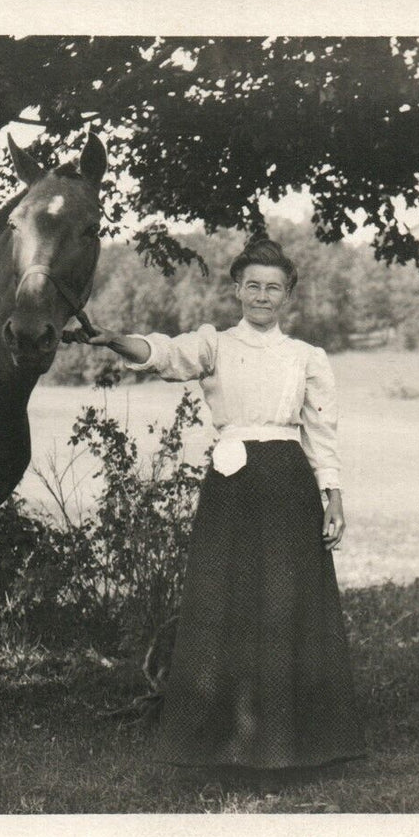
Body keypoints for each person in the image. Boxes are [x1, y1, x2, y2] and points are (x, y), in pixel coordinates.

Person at [74, 234, 365, 771]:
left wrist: (333, 496)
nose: (261, 296)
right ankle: (220, 743)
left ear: (287, 295)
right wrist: (116, 340)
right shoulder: (215, 345)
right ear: (236, 290)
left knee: (284, 604)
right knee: (223, 601)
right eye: (252, 286)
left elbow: (322, 432)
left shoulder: (306, 358)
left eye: (272, 288)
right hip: (231, 482)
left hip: (287, 482)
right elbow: (163, 352)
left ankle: (291, 746)